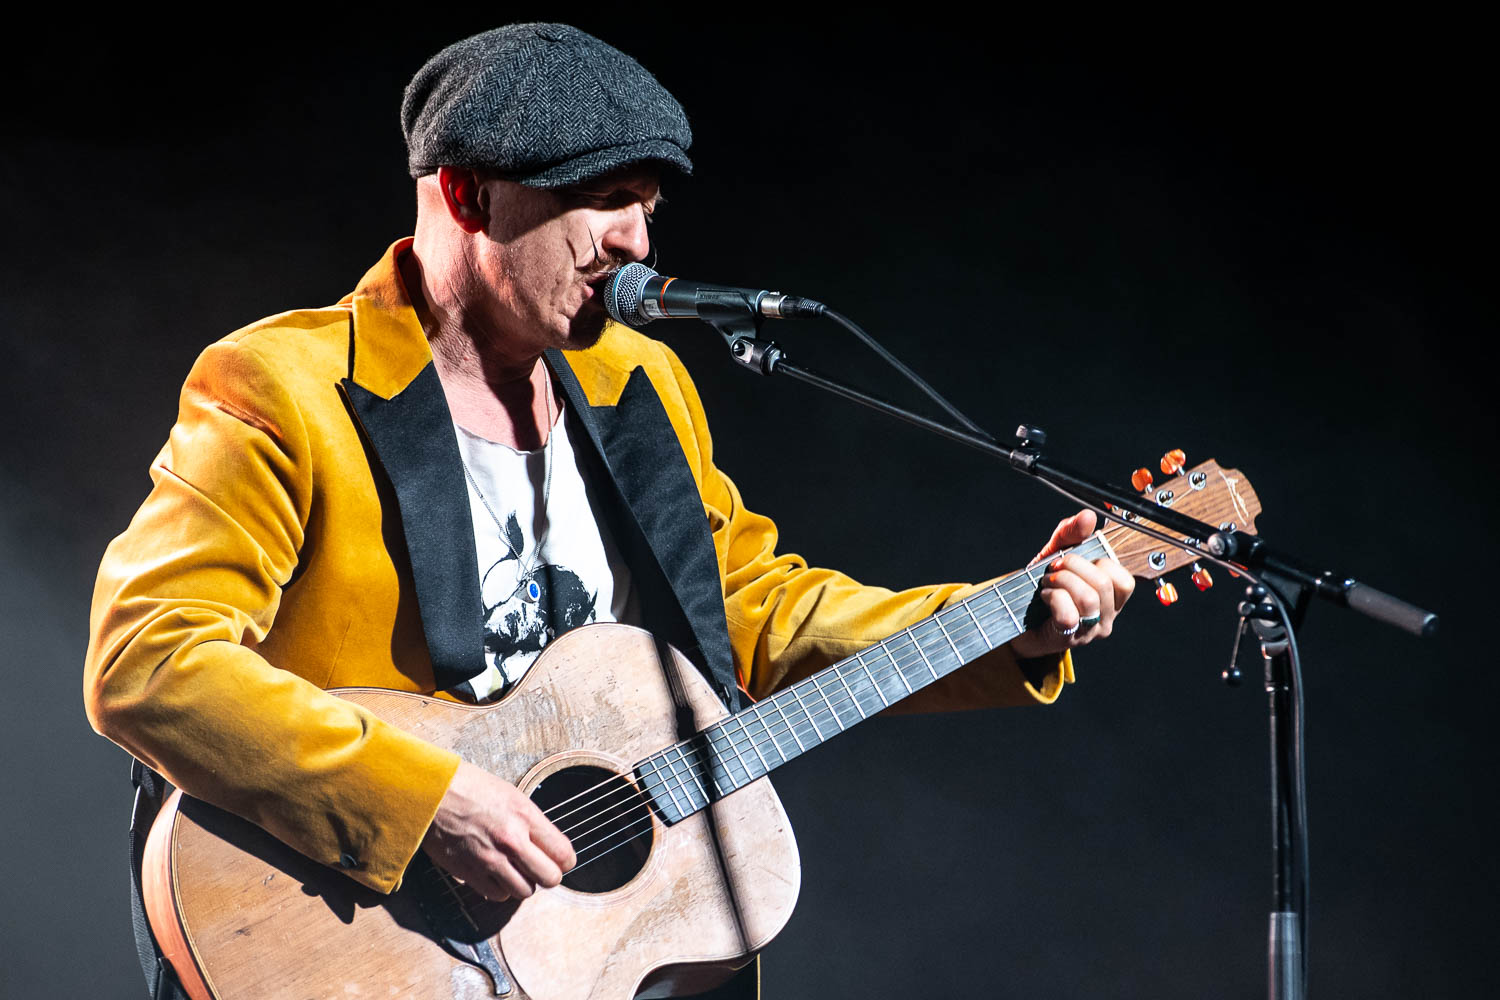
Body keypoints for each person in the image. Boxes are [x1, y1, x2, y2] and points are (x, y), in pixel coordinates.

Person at [84, 22, 1134, 998]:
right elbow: (147, 657)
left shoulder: (641, 383)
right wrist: (423, 800)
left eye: (650, 204)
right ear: (466, 194)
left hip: (590, 951)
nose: (636, 240)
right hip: (365, 931)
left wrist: (1008, 620)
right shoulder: (284, 384)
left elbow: (753, 612)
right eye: (602, 199)